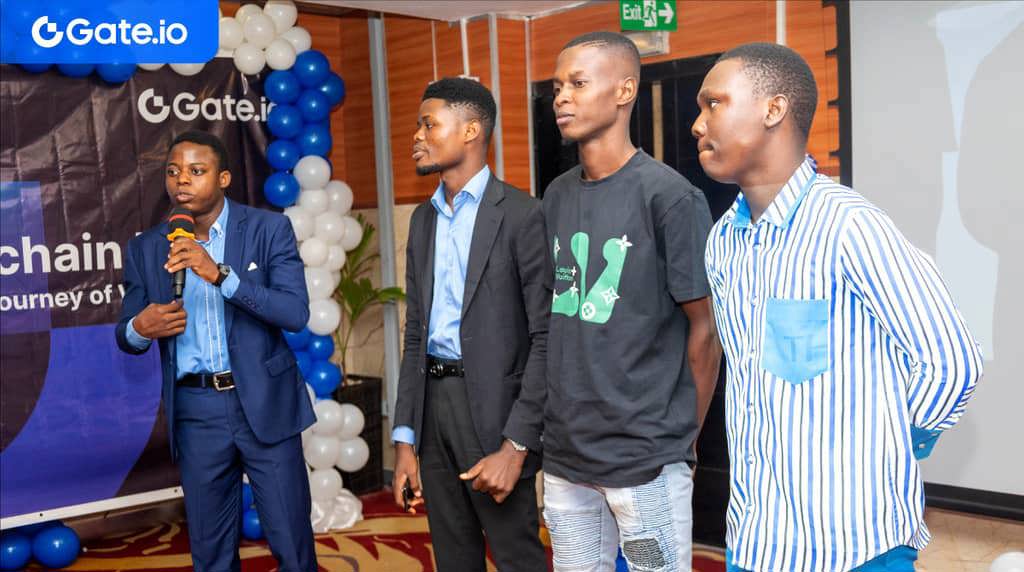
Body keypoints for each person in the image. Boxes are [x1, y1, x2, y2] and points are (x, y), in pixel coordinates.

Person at [695, 43, 984, 572]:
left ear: (773, 109)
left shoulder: (849, 225)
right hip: (756, 541)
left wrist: (894, 442)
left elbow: (950, 359)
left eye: (714, 103)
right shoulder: (723, 242)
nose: (698, 123)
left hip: (856, 547)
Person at [541, 32, 721, 572]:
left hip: (644, 465)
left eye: (578, 83)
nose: (562, 97)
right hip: (567, 459)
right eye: (557, 86)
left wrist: (682, 441)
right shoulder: (556, 195)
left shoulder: (670, 197)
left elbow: (706, 330)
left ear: (623, 91)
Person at [115, 130, 317, 572]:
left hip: (264, 403)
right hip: (197, 411)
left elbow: (294, 312)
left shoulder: (268, 229)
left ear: (223, 178)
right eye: (173, 171)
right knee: (210, 553)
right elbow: (127, 333)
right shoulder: (146, 247)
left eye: (196, 170)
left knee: (291, 543)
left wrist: (221, 275)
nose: (181, 180)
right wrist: (140, 328)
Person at [390, 77, 550, 572]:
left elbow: (546, 338)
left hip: (497, 412)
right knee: (453, 557)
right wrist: (404, 440)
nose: (417, 136)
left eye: (429, 124)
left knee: (517, 557)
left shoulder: (523, 214)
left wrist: (516, 444)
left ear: (471, 130)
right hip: (433, 409)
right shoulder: (423, 220)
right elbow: (415, 333)